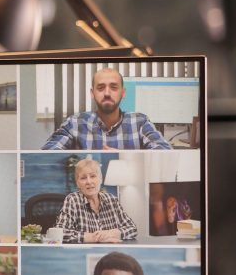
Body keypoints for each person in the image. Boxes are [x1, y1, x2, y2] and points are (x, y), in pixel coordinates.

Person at [43, 67, 172, 150]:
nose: (107, 93)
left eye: (114, 87)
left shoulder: (140, 122)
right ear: (92, 93)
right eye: (100, 88)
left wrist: (124, 160)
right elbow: (47, 154)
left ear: (123, 93)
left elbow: (164, 152)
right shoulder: (75, 123)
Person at [54, 157, 138, 243]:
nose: (89, 181)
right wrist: (93, 237)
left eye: (93, 176)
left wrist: (112, 233)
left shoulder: (112, 200)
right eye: (83, 178)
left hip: (111, 252)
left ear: (100, 179)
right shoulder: (73, 200)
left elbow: (132, 228)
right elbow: (59, 233)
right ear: (78, 183)